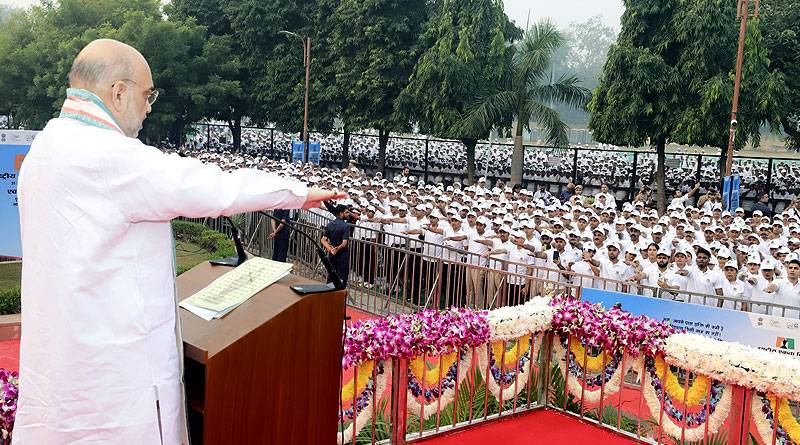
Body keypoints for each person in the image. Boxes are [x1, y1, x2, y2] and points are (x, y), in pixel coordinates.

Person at [15, 39, 343, 444]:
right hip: (115, 382)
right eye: (147, 95)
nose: (149, 107)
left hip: (64, 367)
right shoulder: (108, 156)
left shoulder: (47, 146)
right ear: (119, 92)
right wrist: (296, 193)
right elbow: (212, 188)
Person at [322, 204, 352, 286]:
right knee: (342, 278)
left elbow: (323, 240)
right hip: (342, 256)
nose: (348, 214)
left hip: (332, 255)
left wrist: (330, 248)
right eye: (346, 212)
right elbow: (344, 243)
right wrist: (336, 249)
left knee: (331, 276)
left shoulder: (330, 224)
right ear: (341, 213)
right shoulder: (345, 226)